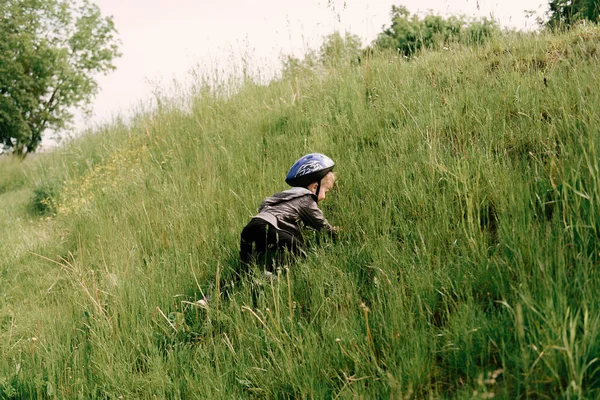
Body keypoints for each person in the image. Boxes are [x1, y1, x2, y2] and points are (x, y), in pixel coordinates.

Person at [239, 153, 338, 272]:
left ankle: (231, 284)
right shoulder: (307, 199)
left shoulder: (283, 196)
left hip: (251, 227)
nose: (325, 196)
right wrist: (334, 233)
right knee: (301, 252)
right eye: (325, 191)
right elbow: (320, 224)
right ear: (315, 187)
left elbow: (265, 205)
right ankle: (272, 275)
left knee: (246, 270)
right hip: (269, 228)